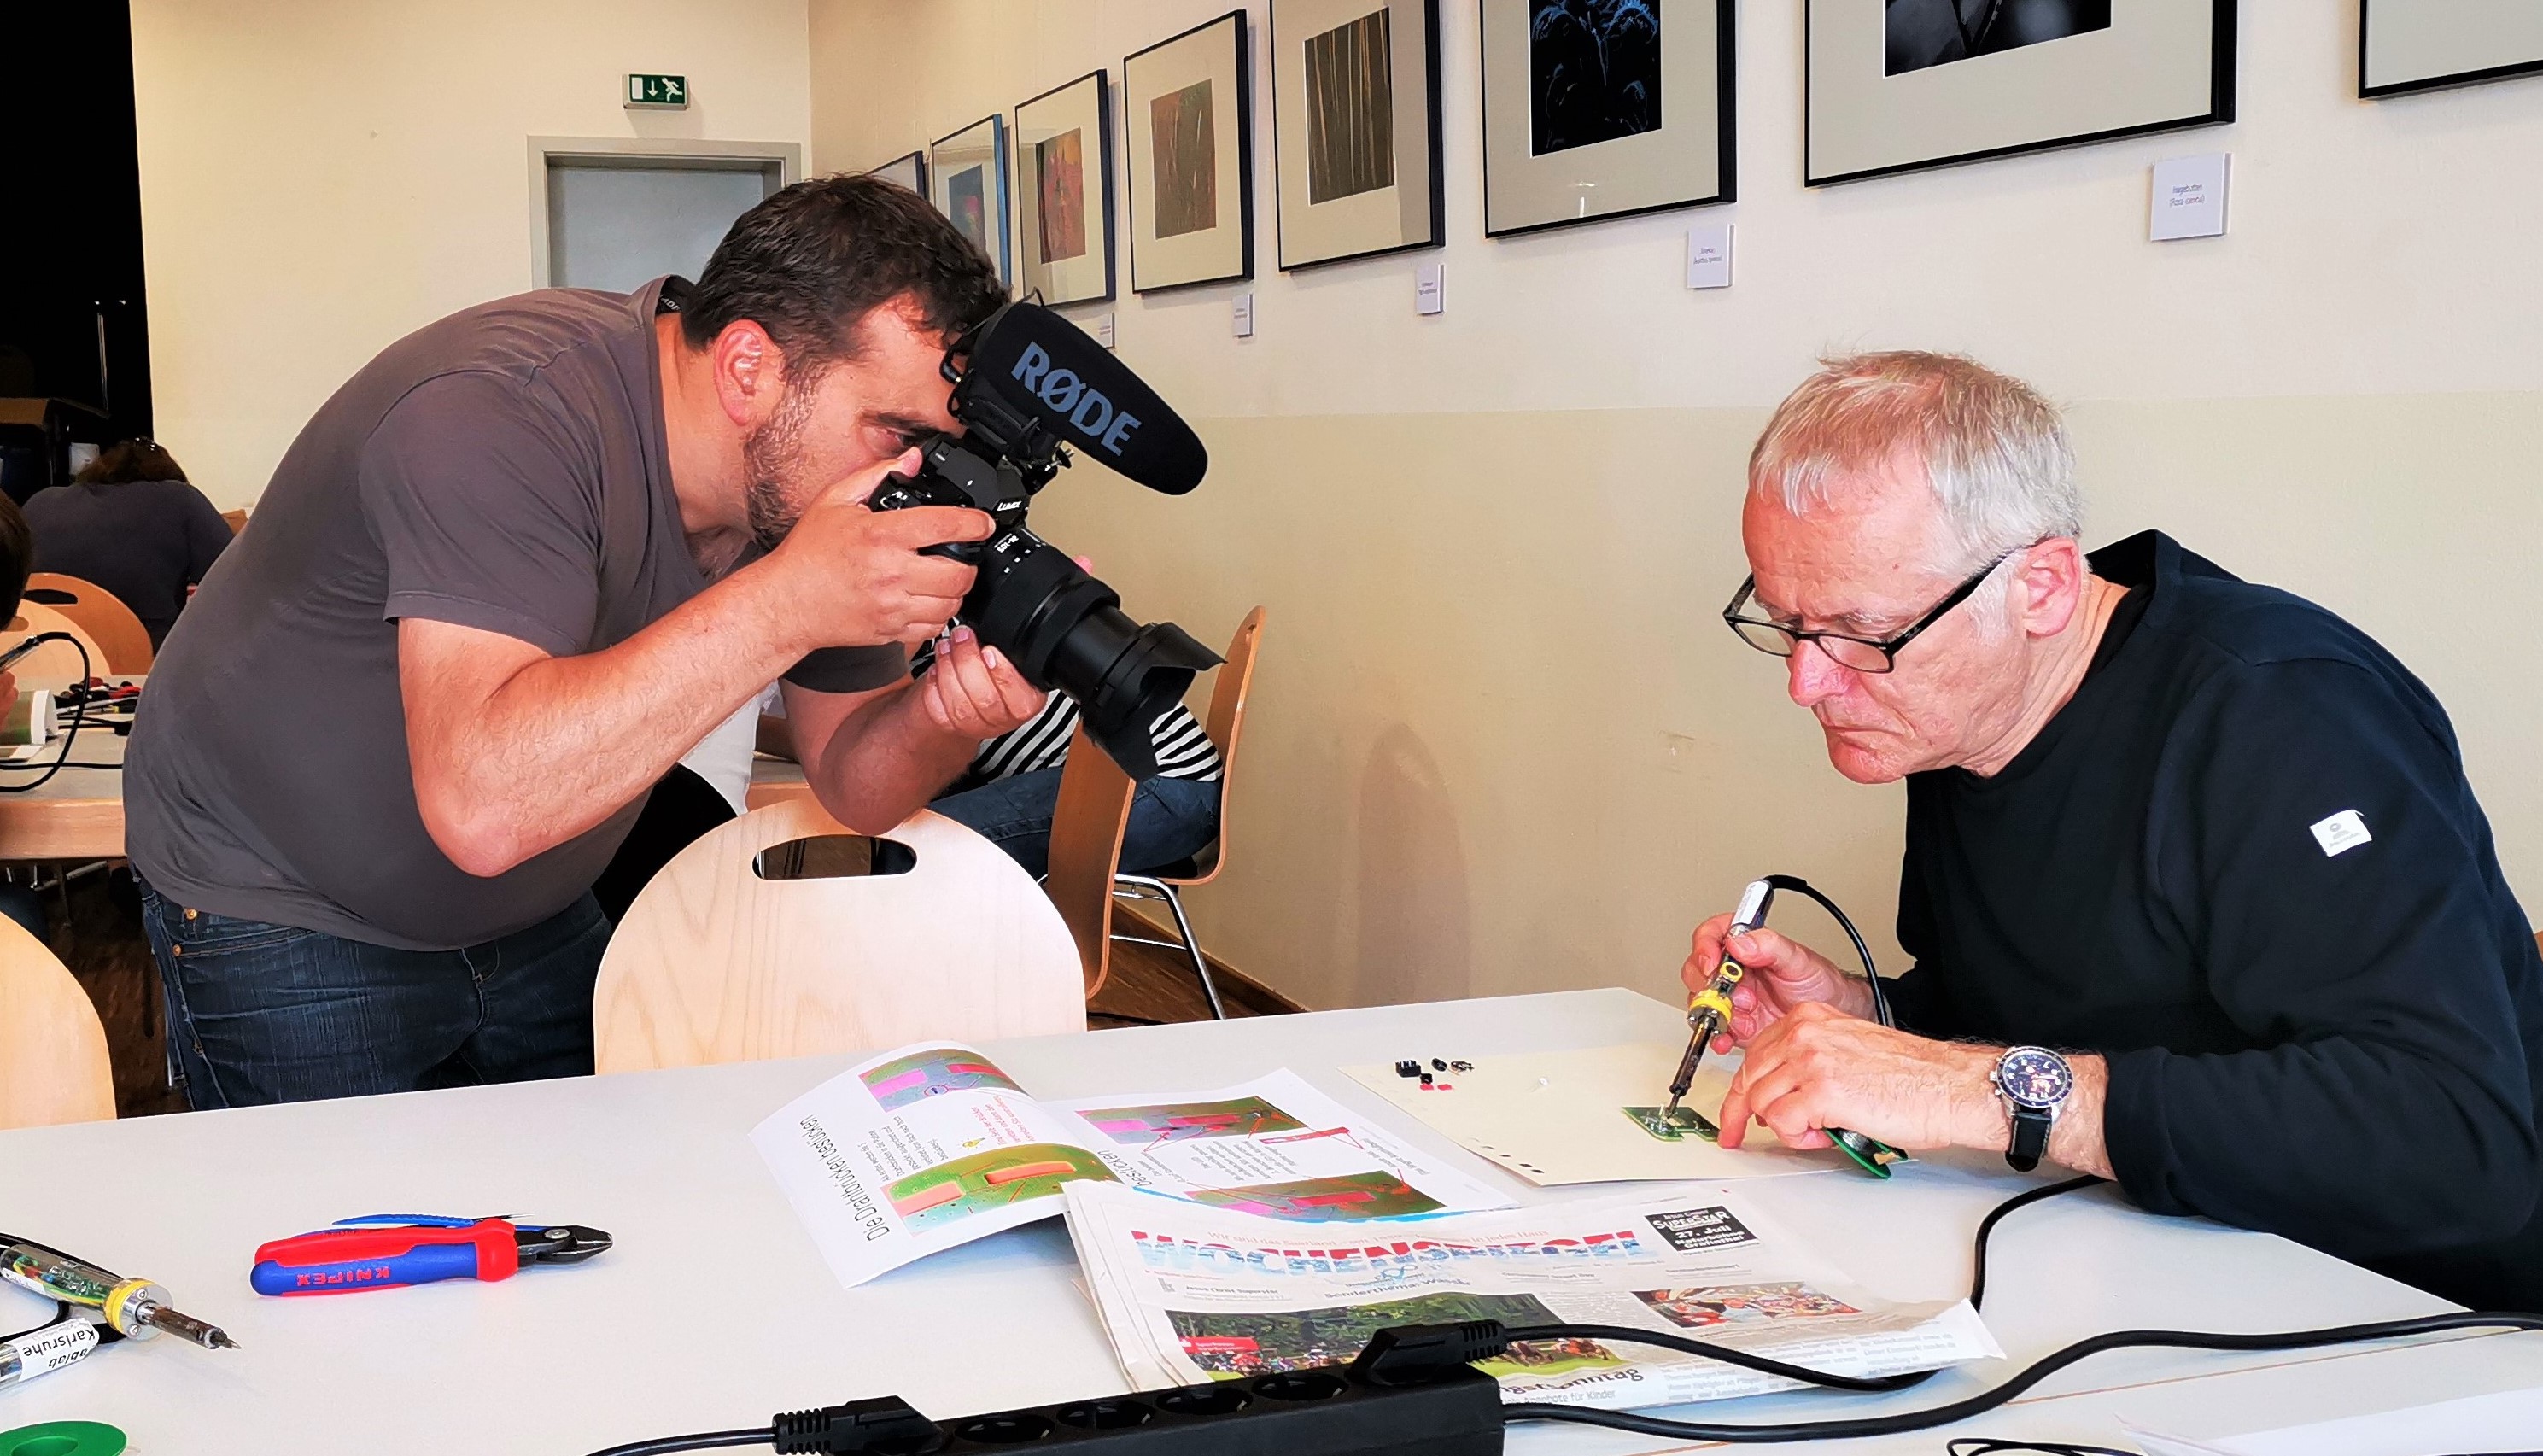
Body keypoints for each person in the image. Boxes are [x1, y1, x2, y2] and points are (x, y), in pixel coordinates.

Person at [127, 174, 1055, 1108]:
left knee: (596, 1191)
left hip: (539, 893)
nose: (912, 476)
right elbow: (485, 806)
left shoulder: (803, 490)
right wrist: (789, 601)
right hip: (281, 891)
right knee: (350, 1208)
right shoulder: (499, 411)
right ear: (749, 368)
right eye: (896, 433)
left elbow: (856, 783)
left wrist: (943, 715)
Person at [1682, 351, 2543, 1313]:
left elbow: (2454, 1140)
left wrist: (1985, 1091)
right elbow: (2071, 1016)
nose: (1807, 682)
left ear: (2042, 587)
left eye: (1861, 633)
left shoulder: (2284, 717)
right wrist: (1863, 1016)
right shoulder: (1962, 707)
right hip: (2150, 1258)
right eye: (1787, 623)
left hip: (2419, 1308)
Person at [915, 628, 1221, 878]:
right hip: (1169, 781)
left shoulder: (931, 620)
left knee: (919, 847)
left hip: (1158, 782)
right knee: (923, 825)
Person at [21, 437, 233, 646]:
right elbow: (235, 576)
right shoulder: (181, 498)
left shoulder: (42, 501)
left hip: (41, 649)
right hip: (140, 652)